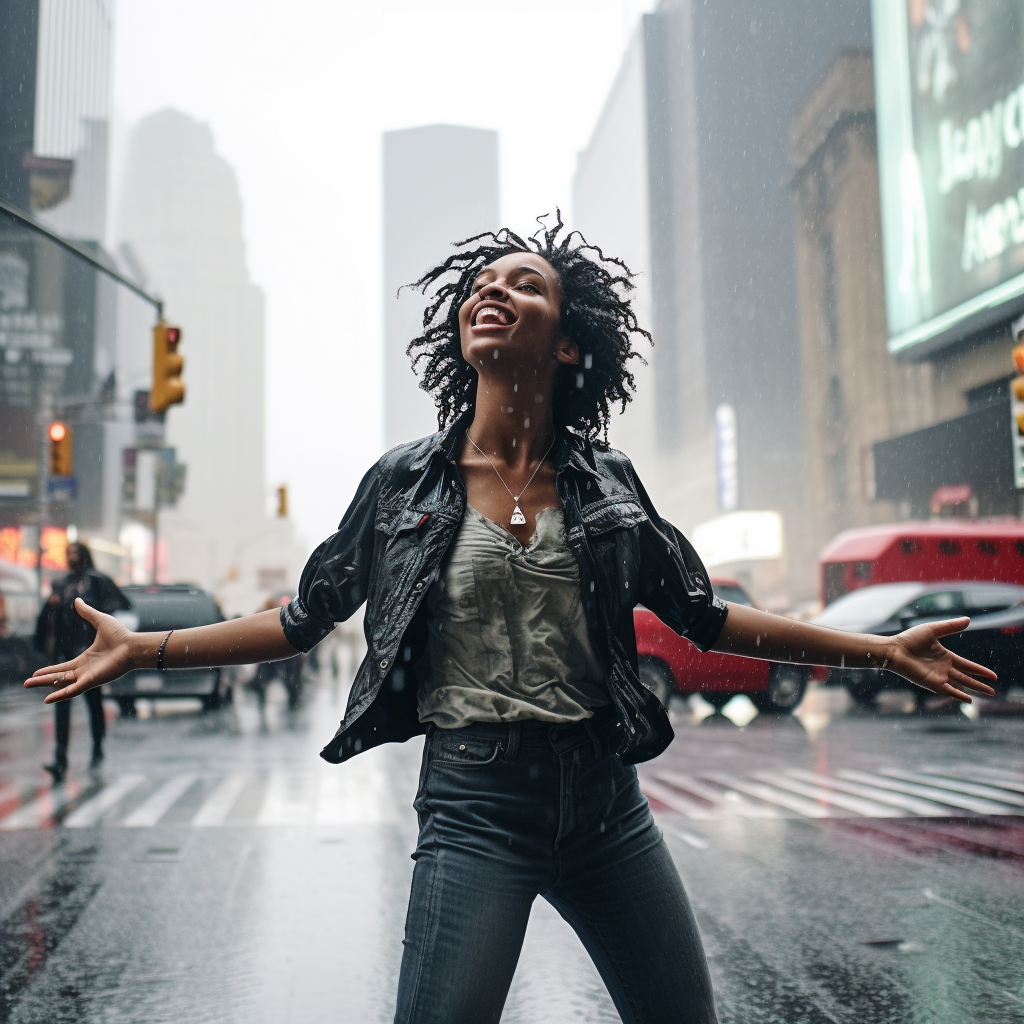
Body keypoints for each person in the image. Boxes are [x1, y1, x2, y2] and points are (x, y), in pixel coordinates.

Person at [26, 217, 996, 1023]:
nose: (490, 292)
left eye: (522, 284)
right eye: (479, 284)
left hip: (608, 807)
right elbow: (300, 618)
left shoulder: (605, 482)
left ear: (567, 340)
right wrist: (140, 646)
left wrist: (877, 649)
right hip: (474, 808)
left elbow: (706, 616)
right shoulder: (403, 481)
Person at [33, 541, 130, 782]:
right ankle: (60, 759)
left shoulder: (97, 581)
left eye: (75, 552)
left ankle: (97, 747)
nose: (71, 557)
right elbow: (46, 619)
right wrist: (50, 609)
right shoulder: (61, 583)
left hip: (90, 654)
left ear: (84, 555)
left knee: (94, 704)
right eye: (68, 553)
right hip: (65, 655)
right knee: (61, 707)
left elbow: (121, 605)